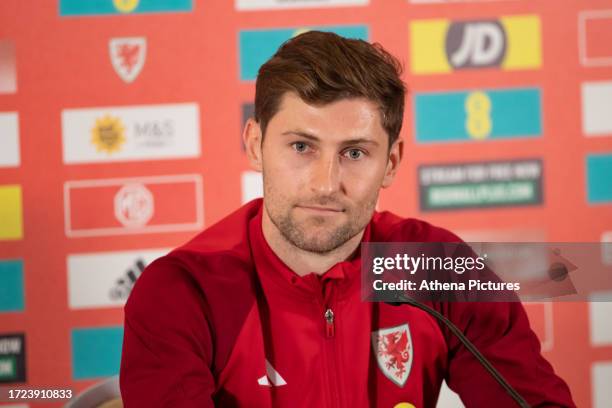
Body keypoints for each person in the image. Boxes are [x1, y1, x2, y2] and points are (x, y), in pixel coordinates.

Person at [119, 31, 575, 407]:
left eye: (354, 153)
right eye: (301, 147)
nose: (325, 182)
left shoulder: (438, 267)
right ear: (255, 145)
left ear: (392, 163)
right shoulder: (182, 292)